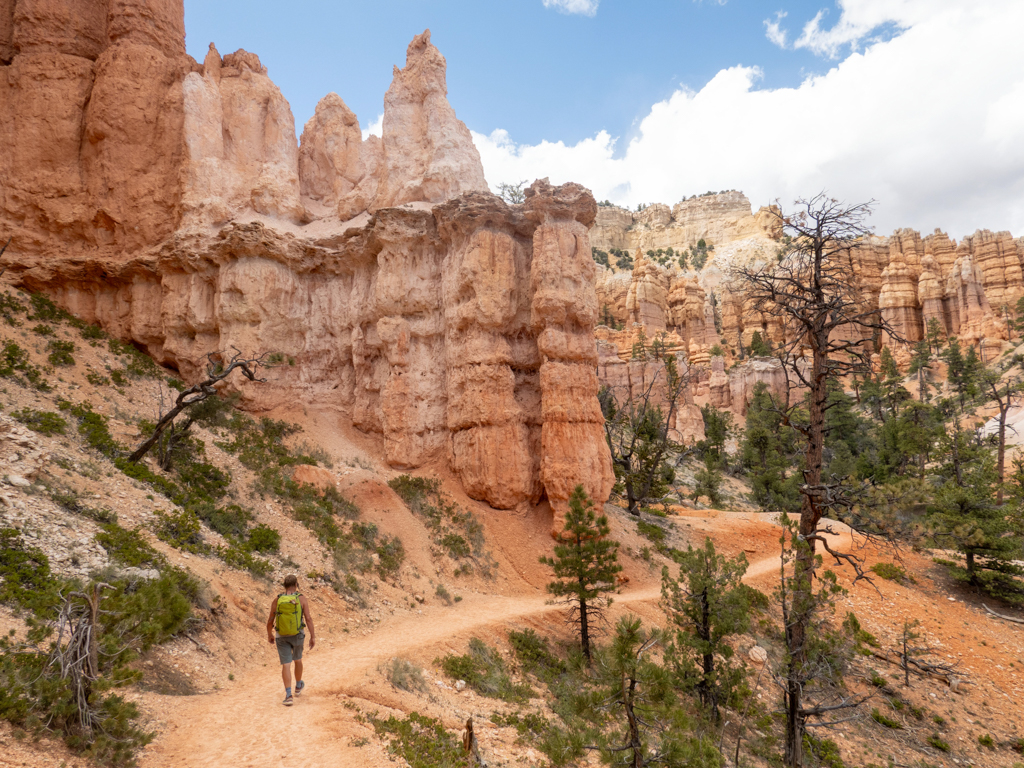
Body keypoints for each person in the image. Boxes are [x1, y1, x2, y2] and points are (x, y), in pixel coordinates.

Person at [266, 574, 316, 706]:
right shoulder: (301, 599)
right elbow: (308, 618)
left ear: (284, 586)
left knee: (286, 664)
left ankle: (288, 695)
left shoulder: (278, 600)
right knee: (298, 659)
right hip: (298, 634)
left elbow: (271, 619)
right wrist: (313, 636)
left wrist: (269, 634)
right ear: (296, 585)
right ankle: (298, 686)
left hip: (281, 635)